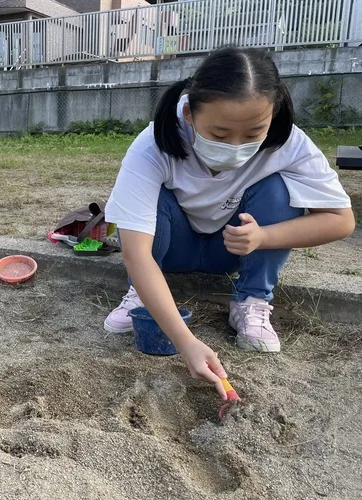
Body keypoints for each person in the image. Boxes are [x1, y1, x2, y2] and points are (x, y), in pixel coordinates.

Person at [103, 47, 354, 398]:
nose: (236, 147)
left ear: (274, 113)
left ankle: (251, 300)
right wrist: (186, 342)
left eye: (253, 134)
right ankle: (141, 298)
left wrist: (264, 236)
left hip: (232, 248)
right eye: (220, 135)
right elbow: (136, 253)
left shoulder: (288, 142)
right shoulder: (154, 145)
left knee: (279, 189)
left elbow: (341, 220)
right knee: (150, 200)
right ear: (189, 113)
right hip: (173, 248)